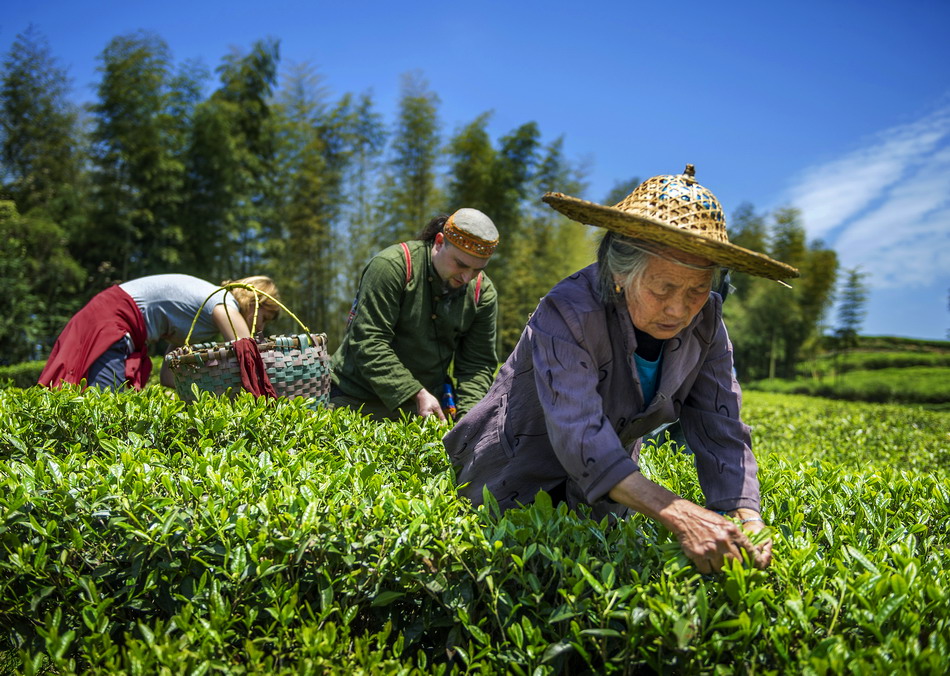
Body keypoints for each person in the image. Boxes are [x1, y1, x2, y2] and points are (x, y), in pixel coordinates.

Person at [443, 165, 799, 574]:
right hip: (512, 469)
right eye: (662, 288)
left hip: (608, 490)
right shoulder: (568, 310)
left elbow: (720, 428)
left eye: (697, 290)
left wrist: (745, 517)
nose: (678, 309)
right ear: (619, 274)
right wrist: (682, 514)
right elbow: (579, 432)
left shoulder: (707, 321)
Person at [330, 208, 499, 421]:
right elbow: (368, 342)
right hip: (355, 399)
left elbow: (476, 366)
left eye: (477, 270)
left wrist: (468, 421)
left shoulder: (482, 292)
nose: (467, 277)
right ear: (439, 242)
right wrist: (415, 393)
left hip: (426, 410)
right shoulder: (393, 266)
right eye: (460, 264)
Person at [38, 273, 281, 391]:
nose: (260, 327)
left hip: (114, 320)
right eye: (264, 318)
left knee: (106, 397)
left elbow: (168, 376)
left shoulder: (199, 324)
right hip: (113, 318)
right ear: (254, 302)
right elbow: (247, 352)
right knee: (104, 399)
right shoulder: (222, 303)